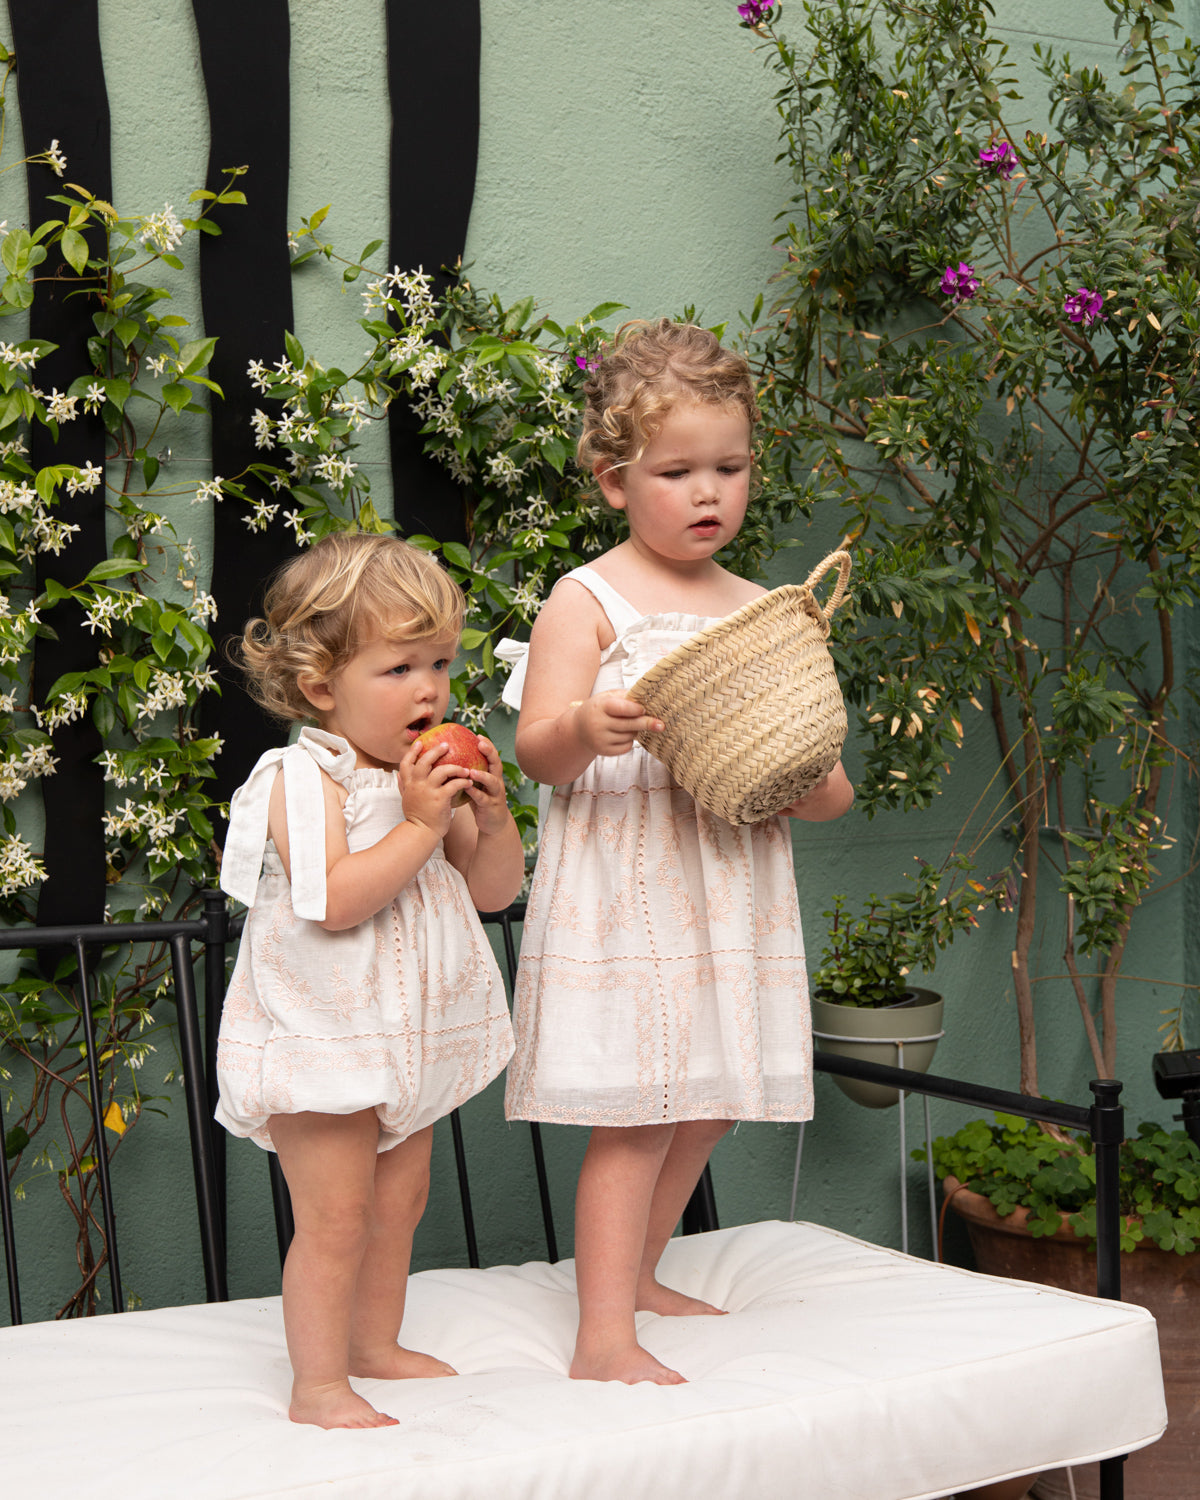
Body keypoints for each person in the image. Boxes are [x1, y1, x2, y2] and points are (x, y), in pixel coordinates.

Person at [502, 319, 854, 1386]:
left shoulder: (764, 613)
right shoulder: (588, 599)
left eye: (730, 468)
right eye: (676, 472)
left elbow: (826, 788)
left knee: (709, 1098)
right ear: (615, 480)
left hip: (727, 886)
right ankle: (603, 1335)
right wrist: (585, 727)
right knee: (638, 1111)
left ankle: (644, 1275)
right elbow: (538, 751)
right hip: (631, 886)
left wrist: (809, 778)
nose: (709, 492)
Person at [215, 531, 523, 1429]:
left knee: (399, 1204)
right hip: (323, 1032)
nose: (430, 690)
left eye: (440, 664)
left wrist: (490, 820)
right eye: (399, 668)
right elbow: (334, 901)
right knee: (338, 1217)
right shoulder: (300, 779)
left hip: (404, 1036)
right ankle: (317, 1385)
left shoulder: (422, 775)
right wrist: (421, 826)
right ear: (322, 686)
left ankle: (373, 1344)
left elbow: (493, 892)